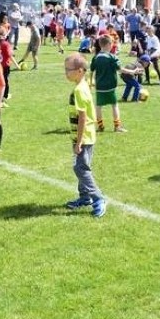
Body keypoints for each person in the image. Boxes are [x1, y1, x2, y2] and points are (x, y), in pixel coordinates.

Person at [64, 53, 107, 218]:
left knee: (81, 168)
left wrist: (79, 141)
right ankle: (84, 198)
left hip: (84, 137)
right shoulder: (82, 85)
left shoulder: (79, 90)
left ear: (80, 71)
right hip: (81, 136)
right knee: (80, 166)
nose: (66, 72)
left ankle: (98, 199)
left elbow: (83, 117)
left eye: (69, 69)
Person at [90, 34, 126, 132]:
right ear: (108, 44)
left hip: (99, 86)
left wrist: (90, 83)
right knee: (114, 105)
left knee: (98, 106)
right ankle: (117, 126)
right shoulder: (111, 57)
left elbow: (91, 71)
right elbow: (120, 70)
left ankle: (100, 126)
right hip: (110, 86)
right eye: (112, 44)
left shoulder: (96, 57)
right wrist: (133, 72)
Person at [0, 28, 19, 103]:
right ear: (4, 35)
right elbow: (10, 55)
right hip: (5, 66)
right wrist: (17, 65)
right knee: (4, 81)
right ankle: (4, 96)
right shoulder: (6, 44)